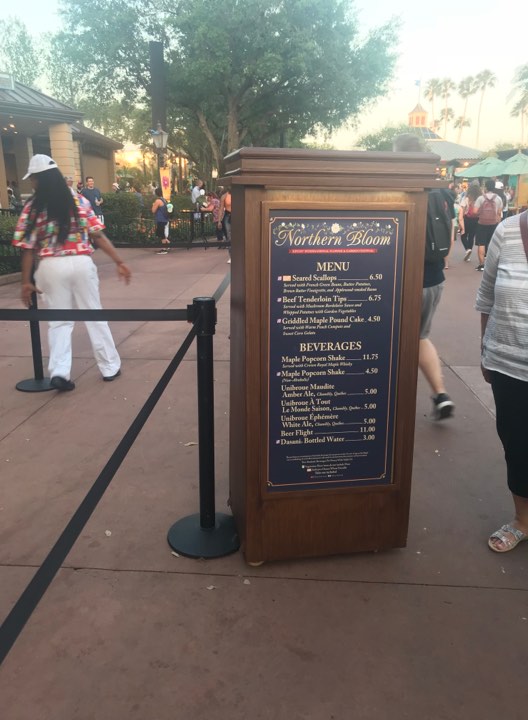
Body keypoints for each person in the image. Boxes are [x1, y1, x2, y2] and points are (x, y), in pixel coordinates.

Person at [12, 154, 131, 391]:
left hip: (51, 266)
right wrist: (119, 261)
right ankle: (109, 367)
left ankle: (60, 372)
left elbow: (27, 248)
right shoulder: (78, 201)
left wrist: (26, 281)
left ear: (38, 179)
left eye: (32, 179)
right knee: (94, 314)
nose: (32, 183)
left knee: (59, 321)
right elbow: (98, 235)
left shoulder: (32, 207)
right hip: (81, 262)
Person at [476, 210, 528, 552]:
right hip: (509, 364)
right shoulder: (507, 231)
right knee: (517, 444)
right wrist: (485, 350)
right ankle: (523, 520)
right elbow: (487, 297)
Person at [392, 133, 454, 419]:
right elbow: (448, 238)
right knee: (419, 336)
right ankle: (440, 394)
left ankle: (387, 402)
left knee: (389, 336)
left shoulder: (400, 186)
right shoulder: (440, 190)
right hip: (434, 278)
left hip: (404, 279)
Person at [473, 179, 503, 271]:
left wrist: (480, 214)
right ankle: (492, 265)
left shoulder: (480, 198)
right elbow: (499, 213)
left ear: (485, 187)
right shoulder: (498, 198)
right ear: (494, 187)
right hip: (493, 224)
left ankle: (481, 265)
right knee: (492, 244)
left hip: (482, 223)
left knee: (481, 244)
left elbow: (474, 211)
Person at [458, 182, 482, 262]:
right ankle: (469, 250)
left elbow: (462, 208)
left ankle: (467, 249)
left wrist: (461, 219)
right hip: (476, 219)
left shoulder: (467, 197)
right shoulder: (480, 198)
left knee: (463, 235)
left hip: (467, 219)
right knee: (471, 236)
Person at [152, 187, 170, 254]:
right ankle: (168, 244)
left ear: (156, 193)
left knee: (161, 234)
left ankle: (164, 249)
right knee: (160, 233)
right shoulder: (164, 200)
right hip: (165, 219)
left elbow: (153, 210)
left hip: (161, 220)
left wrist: (153, 205)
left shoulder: (158, 201)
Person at [218, 188, 232, 264]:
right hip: (228, 216)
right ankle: (231, 256)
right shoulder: (224, 196)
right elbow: (221, 209)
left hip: (238, 214)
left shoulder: (240, 194)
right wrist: (219, 221)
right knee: (229, 236)